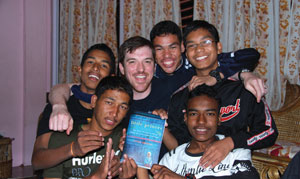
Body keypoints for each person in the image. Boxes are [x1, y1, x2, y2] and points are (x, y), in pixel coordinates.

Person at [48, 20, 266, 135]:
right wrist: (59, 106)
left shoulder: (191, 70)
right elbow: (67, 87)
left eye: (173, 48)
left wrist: (240, 74)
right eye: (159, 50)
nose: (141, 70)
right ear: (122, 69)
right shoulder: (119, 88)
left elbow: (247, 55)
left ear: (182, 48)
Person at [167, 20, 278, 170]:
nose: (199, 49)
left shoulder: (244, 88)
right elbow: (177, 144)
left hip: (234, 170)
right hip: (190, 172)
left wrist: (231, 142)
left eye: (205, 42)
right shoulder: (179, 97)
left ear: (218, 47)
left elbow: (269, 131)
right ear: (186, 53)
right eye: (191, 45)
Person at [21, 43, 116, 179]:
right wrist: (72, 149)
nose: (96, 68)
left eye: (103, 65)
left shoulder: (114, 111)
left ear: (112, 77)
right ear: (79, 70)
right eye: (90, 62)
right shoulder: (60, 108)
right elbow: (37, 161)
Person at [137, 85, 262, 179]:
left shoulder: (235, 150)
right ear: (185, 118)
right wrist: (140, 165)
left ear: (219, 119)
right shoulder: (171, 159)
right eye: (194, 113)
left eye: (209, 114)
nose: (201, 121)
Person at [42, 76, 137, 179]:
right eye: (109, 102)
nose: (114, 113)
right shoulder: (64, 136)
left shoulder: (122, 139)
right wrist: (96, 178)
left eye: (122, 107)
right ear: (94, 101)